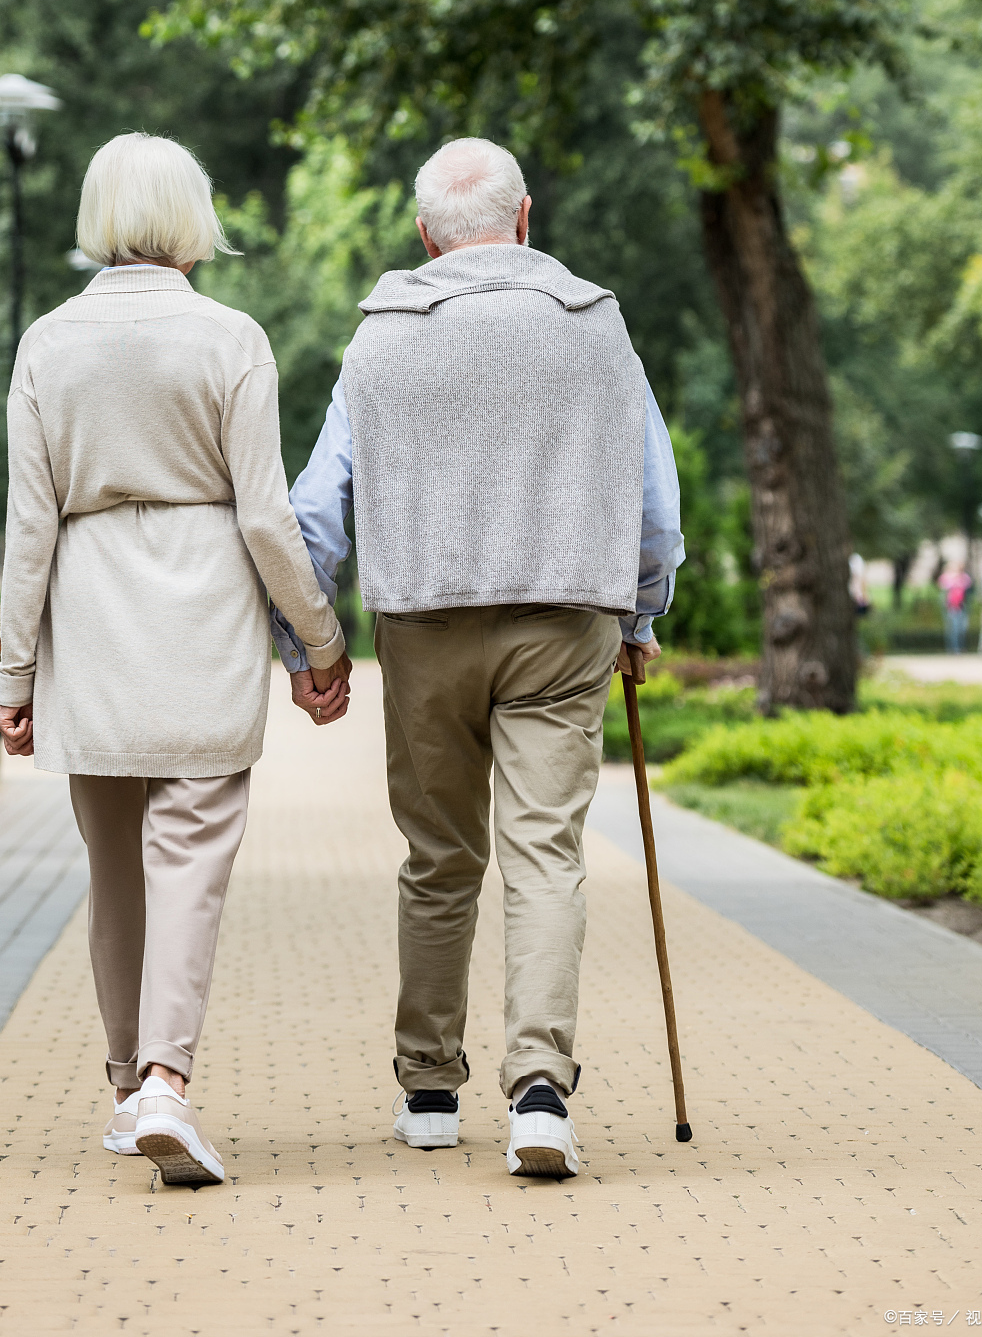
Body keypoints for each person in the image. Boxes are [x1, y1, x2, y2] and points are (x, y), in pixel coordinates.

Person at [272, 137, 684, 1181]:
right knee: (545, 852)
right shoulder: (597, 327)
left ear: (425, 236)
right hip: (565, 617)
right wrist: (640, 612)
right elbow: (651, 504)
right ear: (525, 215)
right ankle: (540, 1089)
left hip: (423, 622)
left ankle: (426, 1086)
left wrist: (307, 642)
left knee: (439, 853)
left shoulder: (378, 340)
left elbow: (314, 508)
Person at [0, 133, 348, 1189]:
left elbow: (25, 527)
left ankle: (123, 1088)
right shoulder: (230, 336)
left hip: (90, 616)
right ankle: (165, 1078)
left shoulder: (46, 343)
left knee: (113, 871)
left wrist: (15, 678)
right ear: (192, 215)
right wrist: (321, 641)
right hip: (201, 618)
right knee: (189, 857)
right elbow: (270, 519)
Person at [937, 562, 973, 653]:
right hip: (951, 606)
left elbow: (969, 586)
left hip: (962, 605)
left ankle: (961, 647)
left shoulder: (964, 577)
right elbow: (942, 588)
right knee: (952, 628)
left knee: (962, 628)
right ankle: (953, 648)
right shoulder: (946, 577)